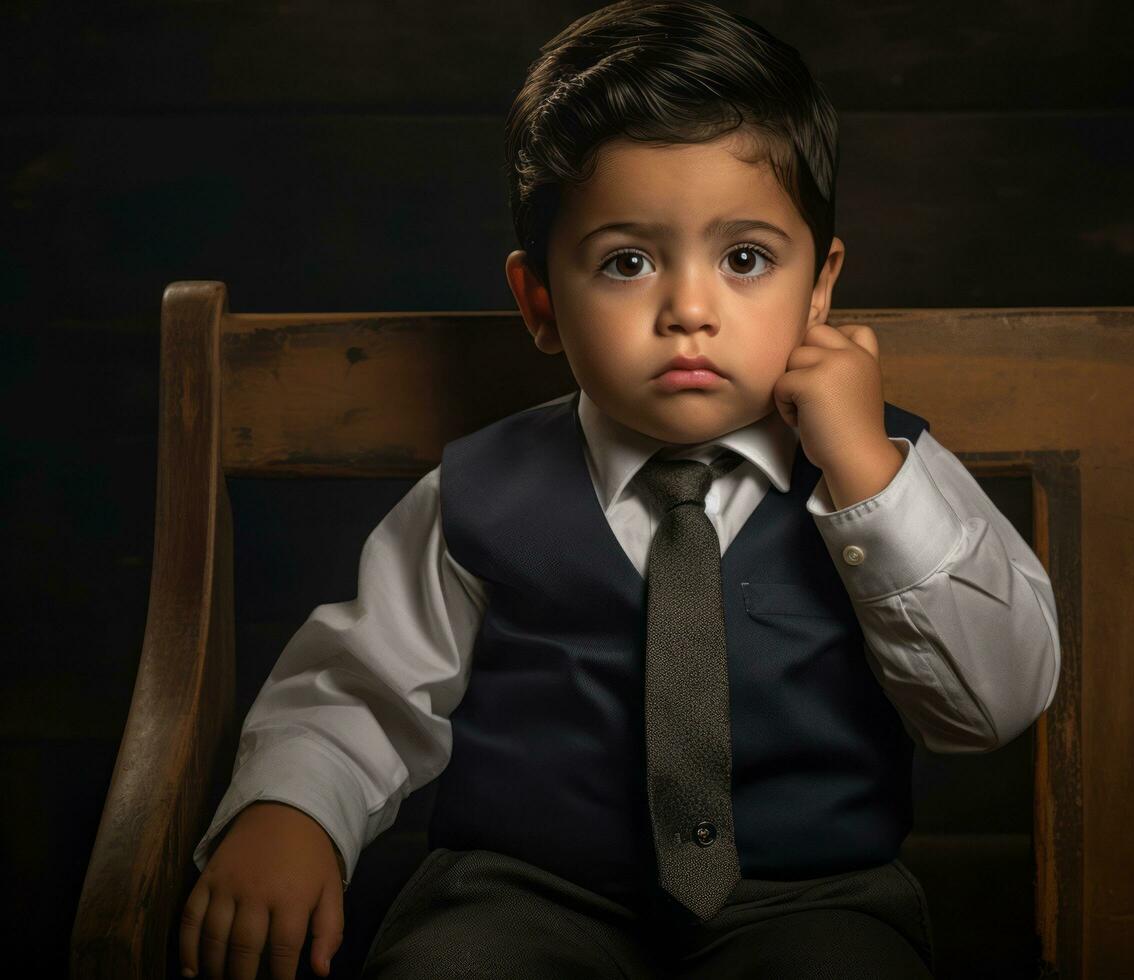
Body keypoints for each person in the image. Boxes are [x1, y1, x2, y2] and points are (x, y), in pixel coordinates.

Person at [178, 2, 1061, 977]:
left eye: (744, 258)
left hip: (812, 899)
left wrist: (864, 474)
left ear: (818, 286)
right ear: (539, 301)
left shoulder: (889, 471)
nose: (688, 308)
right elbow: (365, 686)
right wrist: (290, 806)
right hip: (524, 894)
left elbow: (992, 701)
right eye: (627, 261)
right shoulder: (477, 492)